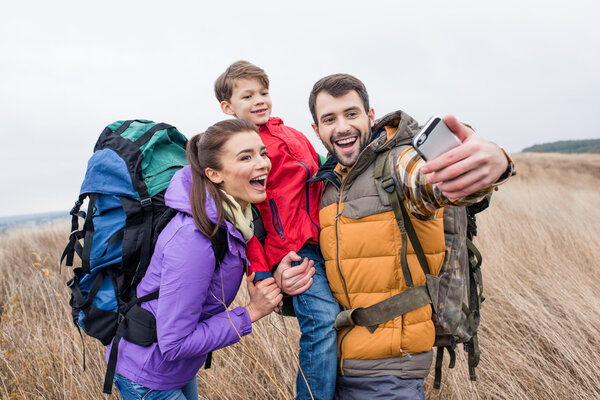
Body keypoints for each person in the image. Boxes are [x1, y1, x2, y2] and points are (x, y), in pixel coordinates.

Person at [308, 73, 515, 399]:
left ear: (370, 117)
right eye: (329, 119)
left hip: (390, 370)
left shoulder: (397, 163)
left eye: (351, 114)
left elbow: (427, 182)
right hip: (335, 366)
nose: (342, 127)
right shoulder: (328, 185)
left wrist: (489, 166)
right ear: (316, 129)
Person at [108, 119, 283, 400]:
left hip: (175, 371)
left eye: (262, 153)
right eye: (246, 157)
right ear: (214, 174)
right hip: (148, 376)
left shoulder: (234, 220)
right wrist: (252, 312)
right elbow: (175, 343)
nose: (263, 163)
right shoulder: (194, 239)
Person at [215, 61, 339, 400]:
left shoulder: (292, 134)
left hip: (329, 241)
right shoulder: (235, 152)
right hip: (292, 253)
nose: (259, 100)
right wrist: (259, 272)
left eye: (264, 92)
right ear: (227, 107)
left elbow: (322, 173)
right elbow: (243, 221)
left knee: (347, 322)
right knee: (322, 324)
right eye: (247, 95)